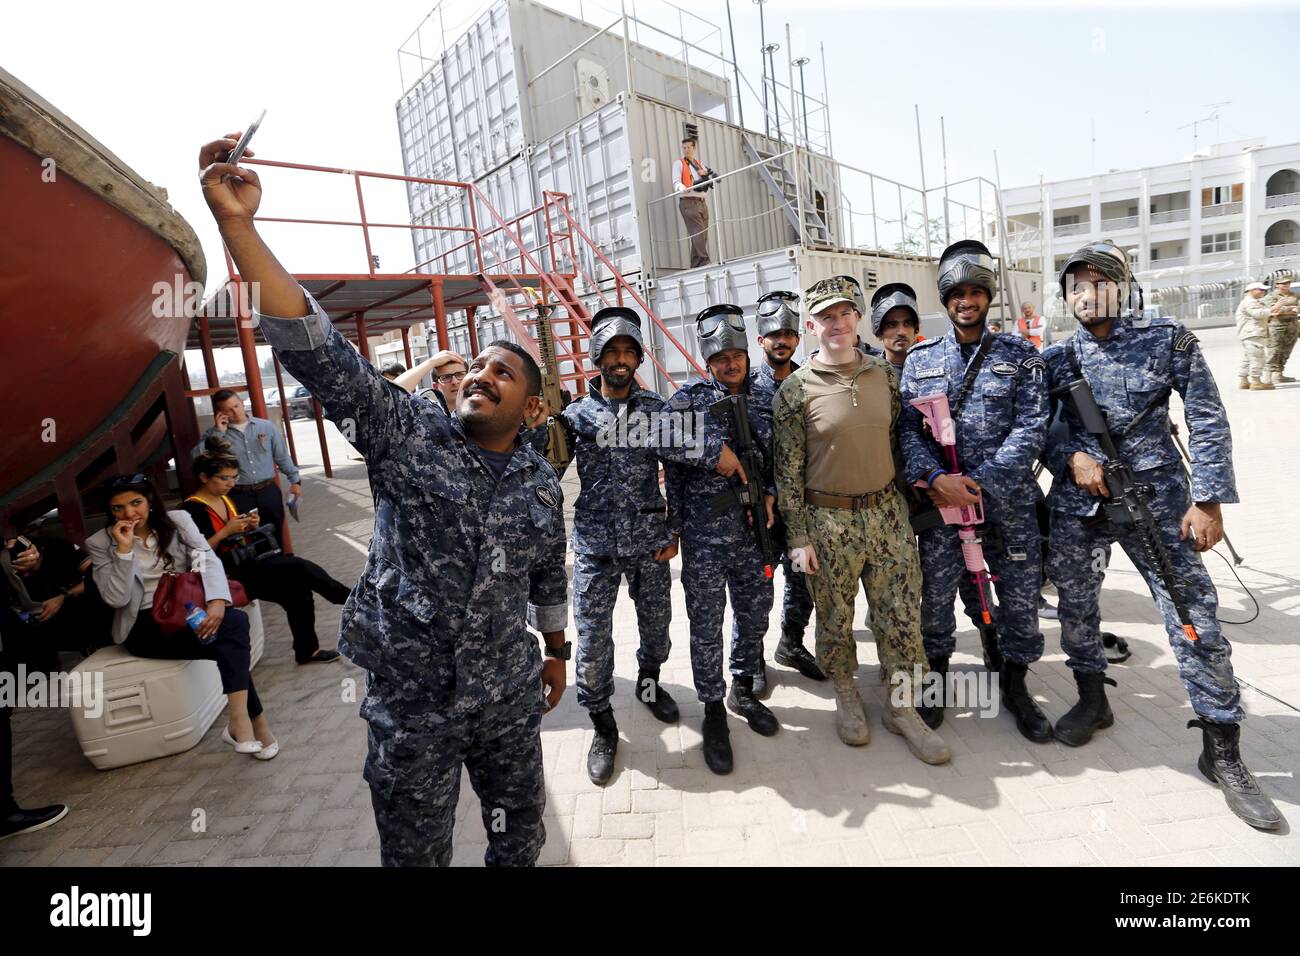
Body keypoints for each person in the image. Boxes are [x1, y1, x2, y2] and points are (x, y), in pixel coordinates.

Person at [198, 132, 568, 866]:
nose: (480, 375)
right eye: (478, 365)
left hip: (506, 696)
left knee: (519, 841)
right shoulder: (410, 438)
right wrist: (238, 227)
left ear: (531, 409)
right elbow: (321, 355)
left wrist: (555, 650)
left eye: (503, 372)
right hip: (412, 704)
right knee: (415, 856)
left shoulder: (539, 483)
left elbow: (548, 573)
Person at [1042, 241, 1283, 831]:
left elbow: (1205, 414)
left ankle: (1221, 747)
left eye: (1098, 282)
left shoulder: (1165, 337)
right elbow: (1037, 429)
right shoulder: (1054, 357)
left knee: (1192, 614)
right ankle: (1093, 698)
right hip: (1081, 505)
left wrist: (1208, 500)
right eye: (1075, 283)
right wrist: (1071, 455)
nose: (1085, 293)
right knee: (1076, 605)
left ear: (1121, 289)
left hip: (1159, 503)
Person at [552, 307, 735, 785]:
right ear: (597, 358)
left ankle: (650, 685)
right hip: (594, 544)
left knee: (656, 628)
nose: (620, 360)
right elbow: (544, 471)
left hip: (649, 542)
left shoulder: (656, 408)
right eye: (611, 352)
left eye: (629, 352)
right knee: (591, 643)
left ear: (637, 359)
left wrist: (675, 527)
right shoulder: (575, 415)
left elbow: (677, 464)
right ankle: (602, 725)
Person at [771, 277, 950, 763]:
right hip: (828, 521)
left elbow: (898, 442)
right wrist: (799, 538)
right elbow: (786, 472)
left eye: (845, 313)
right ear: (812, 326)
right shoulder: (794, 390)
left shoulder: (885, 377)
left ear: (856, 319)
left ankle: (901, 707)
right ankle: (846, 693)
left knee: (899, 615)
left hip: (886, 516)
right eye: (827, 316)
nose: (838, 323)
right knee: (835, 616)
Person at [898, 240, 1054, 742]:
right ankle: (937, 676)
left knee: (1020, 595)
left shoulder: (1019, 356)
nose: (966, 301)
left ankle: (1015, 684)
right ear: (945, 301)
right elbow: (905, 429)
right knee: (938, 593)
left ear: (988, 297)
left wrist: (981, 482)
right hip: (943, 504)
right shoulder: (920, 360)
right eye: (957, 293)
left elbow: (1033, 424)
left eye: (975, 292)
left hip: (1007, 503)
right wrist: (935, 480)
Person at [83, 474, 276, 758]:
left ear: (150, 500)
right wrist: (124, 552)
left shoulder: (178, 522)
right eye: (118, 508)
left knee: (232, 625)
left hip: (185, 611)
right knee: (231, 644)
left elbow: (207, 559)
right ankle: (254, 724)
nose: (129, 513)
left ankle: (241, 722)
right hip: (144, 627)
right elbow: (117, 598)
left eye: (136, 503)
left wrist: (217, 602)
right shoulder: (101, 543)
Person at [665, 305, 779, 774]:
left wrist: (770, 492)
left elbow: (783, 455)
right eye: (720, 358)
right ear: (707, 361)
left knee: (756, 613)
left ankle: (743, 686)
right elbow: (658, 438)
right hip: (705, 537)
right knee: (706, 626)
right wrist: (717, 454)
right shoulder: (688, 400)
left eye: (737, 354)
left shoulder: (766, 397)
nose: (730, 364)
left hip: (756, 535)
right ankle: (713, 710)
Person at [183, 436, 350, 665]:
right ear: (204, 477)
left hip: (247, 565)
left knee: (298, 592)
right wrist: (225, 532)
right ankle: (352, 599)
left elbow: (234, 533)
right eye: (224, 478)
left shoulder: (225, 499)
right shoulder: (191, 509)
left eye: (233, 478)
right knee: (298, 566)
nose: (230, 483)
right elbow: (195, 554)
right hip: (225, 576)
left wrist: (249, 525)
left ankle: (307, 651)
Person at [749, 290, 823, 694]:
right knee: (758, 588)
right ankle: (753, 656)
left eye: (789, 333)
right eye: (773, 334)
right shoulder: (744, 386)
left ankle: (791, 644)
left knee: (802, 580)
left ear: (798, 338)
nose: (782, 340)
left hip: (801, 506)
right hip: (763, 509)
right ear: (760, 340)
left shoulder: (809, 382)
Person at [192, 389, 301, 548]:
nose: (235, 412)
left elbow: (282, 457)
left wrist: (295, 481)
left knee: (276, 535)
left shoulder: (266, 427)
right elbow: (196, 456)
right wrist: (218, 433)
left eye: (236, 406)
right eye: (228, 410)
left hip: (268, 491)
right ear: (220, 413)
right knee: (248, 540)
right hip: (238, 495)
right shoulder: (215, 434)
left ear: (242, 403)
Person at [673, 135, 713, 268]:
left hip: (701, 201)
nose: (686, 150)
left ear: (694, 148)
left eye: (688, 147)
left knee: (703, 234)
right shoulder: (679, 163)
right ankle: (705, 261)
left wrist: (706, 175)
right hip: (688, 202)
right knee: (698, 232)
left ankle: (696, 263)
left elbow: (707, 180)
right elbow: (676, 181)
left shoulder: (699, 164)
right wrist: (681, 188)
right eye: (684, 148)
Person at [396, 349, 468, 412]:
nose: (454, 382)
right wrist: (432, 361)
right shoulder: (429, 413)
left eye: (460, 374)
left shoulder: (478, 408)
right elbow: (393, 393)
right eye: (446, 377)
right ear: (435, 386)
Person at [1261, 271, 1298, 384]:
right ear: (1277, 284)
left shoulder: (1295, 295)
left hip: (1292, 326)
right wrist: (1291, 309)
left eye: (1287, 282)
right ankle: (1268, 376)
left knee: (1286, 351)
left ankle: (1278, 375)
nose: (1286, 285)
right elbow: (1274, 311)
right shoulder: (1271, 296)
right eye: (1283, 283)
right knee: (1274, 351)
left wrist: (1290, 309)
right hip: (1277, 326)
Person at [1235, 282, 1272, 391]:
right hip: (1253, 334)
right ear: (1251, 291)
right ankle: (1256, 382)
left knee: (1248, 358)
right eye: (1260, 290)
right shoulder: (1249, 302)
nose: (1263, 292)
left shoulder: (1253, 302)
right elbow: (1258, 314)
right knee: (1257, 357)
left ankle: (1244, 381)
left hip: (1251, 334)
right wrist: (1274, 309)